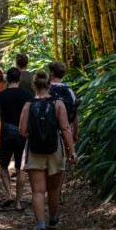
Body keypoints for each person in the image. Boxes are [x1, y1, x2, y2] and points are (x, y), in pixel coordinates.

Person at [19, 71, 78, 230]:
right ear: (49, 85)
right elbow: (66, 129)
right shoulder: (58, 103)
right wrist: (72, 151)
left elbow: (22, 131)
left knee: (38, 191)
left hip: (34, 149)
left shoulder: (28, 104)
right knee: (53, 188)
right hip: (55, 150)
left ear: (34, 86)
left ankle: (41, 227)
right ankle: (53, 219)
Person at [0, 67, 33, 211]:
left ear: (7, 79)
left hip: (6, 134)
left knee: (3, 165)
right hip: (23, 135)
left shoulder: (1, 96)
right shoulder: (27, 96)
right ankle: (18, 202)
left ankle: (9, 193)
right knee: (20, 168)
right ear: (19, 79)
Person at [48, 61, 79, 202]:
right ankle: (58, 192)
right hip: (65, 131)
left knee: (46, 162)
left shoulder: (45, 90)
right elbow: (74, 114)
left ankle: (49, 192)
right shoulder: (69, 91)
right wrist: (74, 134)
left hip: (48, 131)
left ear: (52, 73)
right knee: (62, 163)